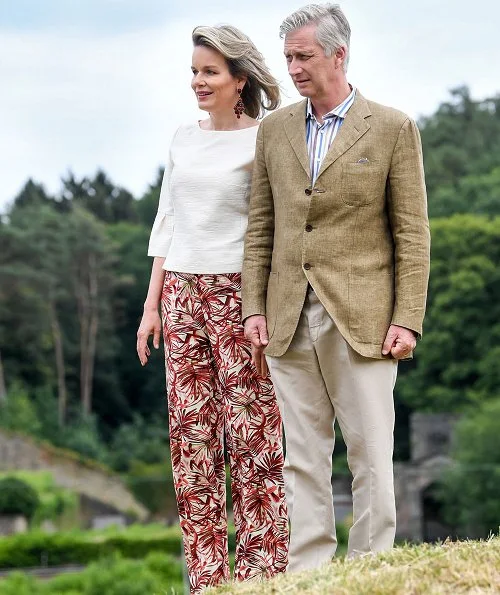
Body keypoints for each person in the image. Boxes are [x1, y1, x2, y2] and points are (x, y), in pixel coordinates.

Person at [242, 3, 430, 571]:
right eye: (288, 58)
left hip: (365, 317)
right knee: (301, 455)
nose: (293, 68)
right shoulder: (274, 130)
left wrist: (408, 317)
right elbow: (261, 227)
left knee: (371, 452)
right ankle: (310, 572)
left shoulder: (393, 127)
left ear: (338, 54)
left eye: (303, 56)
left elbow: (412, 234)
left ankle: (371, 567)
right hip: (286, 315)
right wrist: (254, 308)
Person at [136, 24, 288, 594]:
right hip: (179, 295)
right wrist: (151, 306)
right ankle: (206, 579)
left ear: (239, 79)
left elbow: (271, 230)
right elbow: (166, 223)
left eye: (210, 72)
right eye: (194, 71)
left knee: (251, 433)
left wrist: (265, 307)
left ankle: (264, 572)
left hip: (239, 296)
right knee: (191, 436)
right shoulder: (181, 137)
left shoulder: (265, 140)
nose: (198, 82)